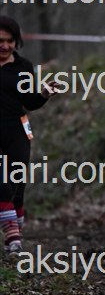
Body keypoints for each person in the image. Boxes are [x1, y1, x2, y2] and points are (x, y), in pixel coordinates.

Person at [0, 16, 57, 254]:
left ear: (17, 42)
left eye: (10, 41)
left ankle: (15, 230)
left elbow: (30, 101)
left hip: (17, 129)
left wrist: (43, 94)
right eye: (0, 41)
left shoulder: (23, 67)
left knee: (17, 182)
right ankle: (12, 232)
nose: (5, 46)